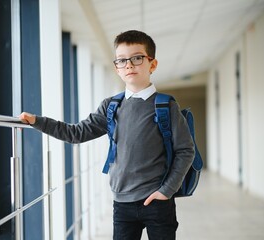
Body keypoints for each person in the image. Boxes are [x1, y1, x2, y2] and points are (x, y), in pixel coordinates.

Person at [19, 30, 195, 240]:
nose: (129, 65)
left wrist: (166, 191)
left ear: (152, 64)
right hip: (122, 204)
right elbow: (76, 133)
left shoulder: (166, 105)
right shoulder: (111, 106)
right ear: (117, 68)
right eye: (122, 60)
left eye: (137, 58)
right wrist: (38, 122)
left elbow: (186, 151)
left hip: (157, 202)